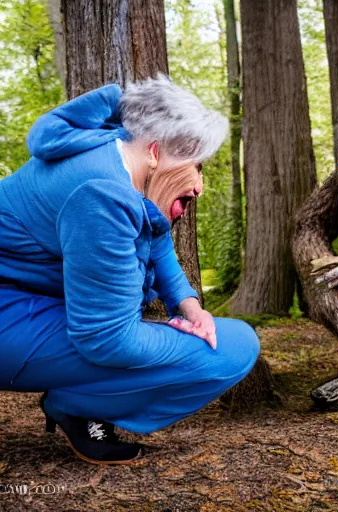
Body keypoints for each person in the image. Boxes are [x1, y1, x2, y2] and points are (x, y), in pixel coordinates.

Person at [0, 74, 260, 465]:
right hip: (10, 312)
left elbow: (154, 233)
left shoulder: (113, 154)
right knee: (232, 349)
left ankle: (75, 404)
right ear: (156, 151)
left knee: (219, 340)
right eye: (196, 165)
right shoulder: (102, 191)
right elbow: (106, 340)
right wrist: (171, 333)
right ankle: (76, 405)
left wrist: (187, 304)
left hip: (20, 300)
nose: (199, 186)